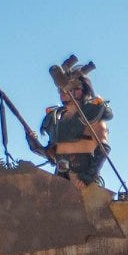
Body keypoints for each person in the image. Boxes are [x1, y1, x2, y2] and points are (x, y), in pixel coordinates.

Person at [41, 56, 112, 185]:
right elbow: (53, 152)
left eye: (71, 89)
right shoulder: (57, 117)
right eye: (61, 91)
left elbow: (103, 148)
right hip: (61, 179)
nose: (64, 94)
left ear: (81, 91)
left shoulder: (92, 114)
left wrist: (87, 177)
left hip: (83, 181)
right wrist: (38, 146)